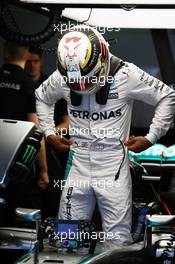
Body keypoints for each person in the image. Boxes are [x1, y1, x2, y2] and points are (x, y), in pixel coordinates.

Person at [35, 25, 175, 248]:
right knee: (67, 238)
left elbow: (167, 96)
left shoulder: (127, 74)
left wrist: (151, 137)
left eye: (86, 79)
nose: (80, 85)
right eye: (75, 81)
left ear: (101, 58)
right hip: (78, 160)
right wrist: (49, 133)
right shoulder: (63, 76)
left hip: (113, 166)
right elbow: (42, 97)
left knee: (116, 241)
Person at [0, 41, 49, 223]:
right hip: (20, 164)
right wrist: (44, 171)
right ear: (28, 55)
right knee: (23, 214)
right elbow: (35, 131)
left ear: (5, 53)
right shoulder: (29, 85)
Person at [25, 46, 69, 217]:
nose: (31, 65)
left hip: (49, 145)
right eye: (27, 61)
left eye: (35, 61)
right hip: (23, 145)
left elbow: (67, 123)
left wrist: (48, 133)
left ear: (41, 62)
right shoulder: (23, 86)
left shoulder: (52, 86)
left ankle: (51, 223)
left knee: (53, 189)